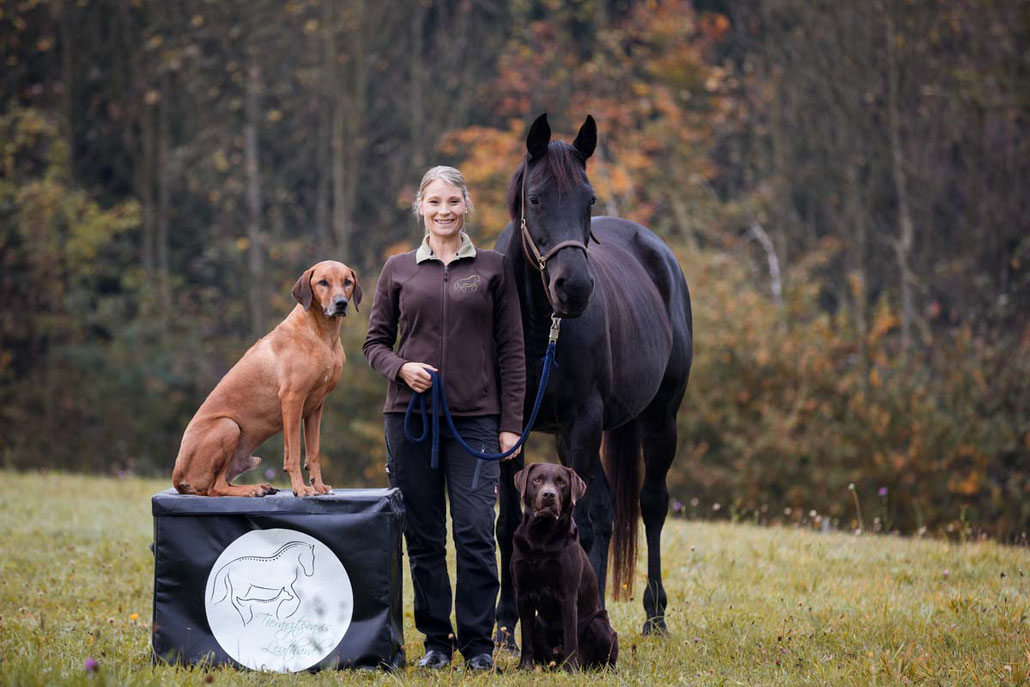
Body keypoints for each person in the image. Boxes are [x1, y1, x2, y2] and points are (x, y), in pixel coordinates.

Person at [363, 166, 526, 671]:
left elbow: (513, 350)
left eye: (453, 201)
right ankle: (437, 640)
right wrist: (401, 367)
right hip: (410, 420)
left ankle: (478, 645)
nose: (444, 211)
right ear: (421, 208)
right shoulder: (398, 270)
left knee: (476, 532)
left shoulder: (495, 269)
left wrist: (512, 423)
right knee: (424, 536)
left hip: (478, 422)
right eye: (434, 202)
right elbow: (373, 344)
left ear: (466, 205)